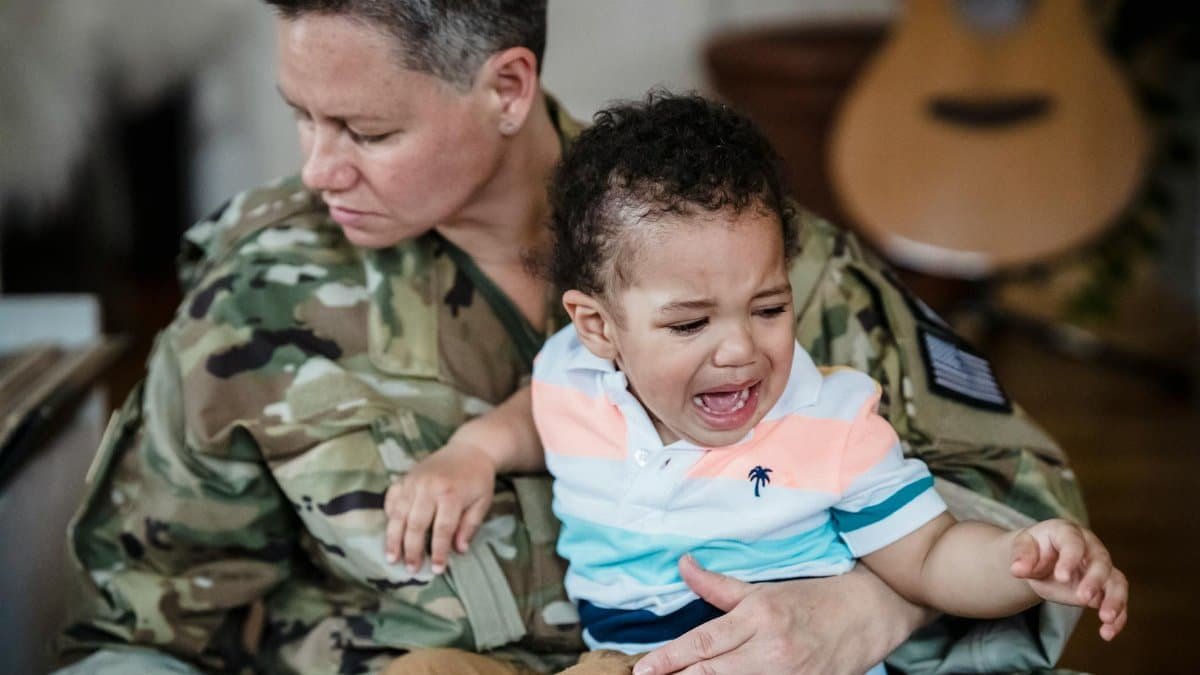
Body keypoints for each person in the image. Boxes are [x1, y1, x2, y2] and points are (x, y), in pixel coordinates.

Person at [56, 1, 1091, 674]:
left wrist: (865, 606)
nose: (320, 169)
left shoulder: (751, 252)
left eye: (367, 133)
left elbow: (1019, 497)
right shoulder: (259, 296)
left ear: (505, 89)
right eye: (301, 118)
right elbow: (147, 628)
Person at [381, 94, 1127, 675]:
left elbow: (931, 557)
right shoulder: (573, 376)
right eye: (690, 324)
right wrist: (474, 451)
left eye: (768, 307)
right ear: (599, 327)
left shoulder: (828, 425)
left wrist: (1023, 562)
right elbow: (538, 417)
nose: (740, 348)